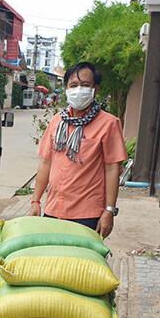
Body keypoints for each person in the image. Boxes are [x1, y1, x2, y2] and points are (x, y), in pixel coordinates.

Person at [30, 62, 127, 238]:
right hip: (54, 209)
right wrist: (35, 201)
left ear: (95, 89)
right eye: (73, 85)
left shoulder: (108, 124)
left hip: (87, 214)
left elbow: (112, 169)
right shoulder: (56, 122)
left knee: (79, 265)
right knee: (51, 262)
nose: (79, 89)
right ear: (66, 88)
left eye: (85, 85)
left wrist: (109, 211)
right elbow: (45, 162)